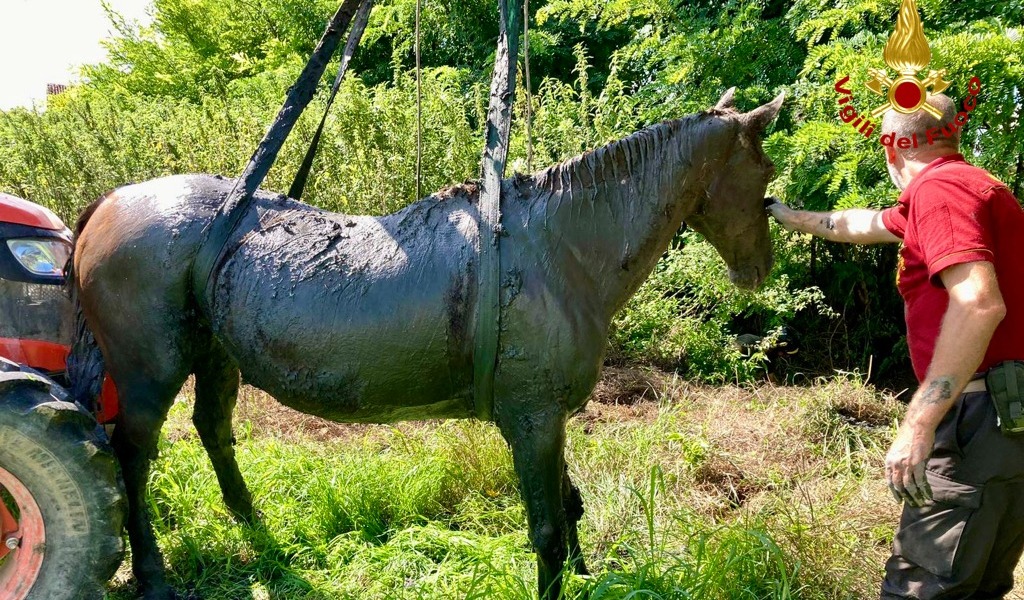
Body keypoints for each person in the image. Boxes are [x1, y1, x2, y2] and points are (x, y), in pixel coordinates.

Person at [767, 93, 1024, 598]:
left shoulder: (940, 192)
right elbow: (860, 224)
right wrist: (791, 216)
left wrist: (919, 422)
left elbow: (978, 304)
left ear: (892, 150)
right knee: (978, 584)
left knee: (922, 586)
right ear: (953, 135)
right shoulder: (977, 187)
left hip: (972, 419)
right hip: (1008, 421)